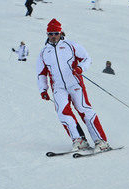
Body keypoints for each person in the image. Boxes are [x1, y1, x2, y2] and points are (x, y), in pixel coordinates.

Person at [37, 18, 111, 152]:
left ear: (60, 32)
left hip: (75, 84)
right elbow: (41, 73)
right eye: (50, 33)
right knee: (62, 112)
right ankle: (79, 140)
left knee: (84, 110)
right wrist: (43, 89)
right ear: (47, 34)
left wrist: (81, 68)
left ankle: (100, 141)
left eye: (55, 33)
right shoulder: (44, 52)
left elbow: (87, 58)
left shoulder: (70, 46)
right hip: (58, 87)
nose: (53, 36)